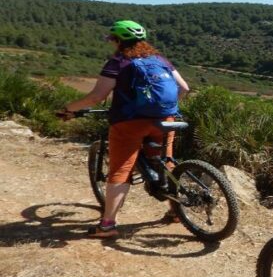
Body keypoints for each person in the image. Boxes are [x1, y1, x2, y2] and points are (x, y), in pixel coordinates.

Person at [60, 20, 190, 239]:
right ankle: (175, 211)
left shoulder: (118, 62)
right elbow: (184, 88)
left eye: (113, 39)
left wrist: (68, 109)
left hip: (129, 122)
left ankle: (108, 225)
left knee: (120, 169)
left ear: (117, 40)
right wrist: (162, 109)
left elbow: (96, 97)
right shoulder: (160, 60)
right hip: (165, 119)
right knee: (166, 163)